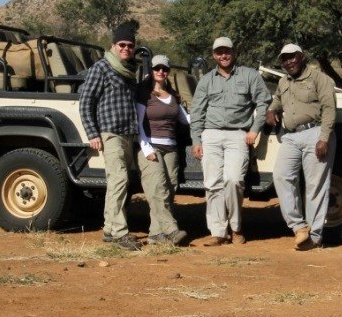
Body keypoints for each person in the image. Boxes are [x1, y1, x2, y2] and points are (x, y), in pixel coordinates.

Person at [189, 36, 271, 246]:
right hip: (211, 134)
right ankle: (218, 231)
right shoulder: (207, 80)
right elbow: (197, 111)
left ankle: (236, 228)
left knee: (234, 180)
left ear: (234, 53)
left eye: (227, 51)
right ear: (214, 55)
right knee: (213, 184)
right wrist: (197, 139)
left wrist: (254, 130)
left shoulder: (249, 75)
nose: (223, 55)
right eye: (219, 52)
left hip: (238, 134)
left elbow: (263, 103)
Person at [265, 43, 338, 250]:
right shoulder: (283, 81)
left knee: (316, 186)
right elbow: (278, 99)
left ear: (302, 57)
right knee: (281, 176)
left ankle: (314, 237)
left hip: (315, 133)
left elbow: (329, 108)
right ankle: (299, 226)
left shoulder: (319, 78)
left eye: (292, 57)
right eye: (284, 58)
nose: (288, 61)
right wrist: (272, 109)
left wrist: (324, 137)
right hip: (291, 136)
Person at [78, 23, 142, 251]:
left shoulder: (129, 70)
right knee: (119, 180)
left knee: (120, 181)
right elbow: (86, 102)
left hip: (128, 133)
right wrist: (92, 133)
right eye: (122, 45)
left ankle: (109, 228)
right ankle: (119, 233)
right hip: (110, 133)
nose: (126, 49)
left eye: (130, 46)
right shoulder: (101, 68)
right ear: (112, 46)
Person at [136, 54, 189, 246]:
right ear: (151, 70)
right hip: (151, 146)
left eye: (164, 69)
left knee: (170, 188)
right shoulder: (144, 93)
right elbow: (138, 124)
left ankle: (155, 234)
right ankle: (171, 230)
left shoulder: (173, 95)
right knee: (158, 189)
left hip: (171, 148)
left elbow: (185, 120)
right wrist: (145, 147)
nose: (161, 72)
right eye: (157, 68)